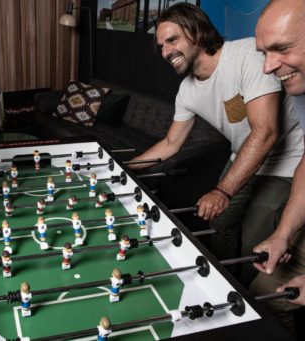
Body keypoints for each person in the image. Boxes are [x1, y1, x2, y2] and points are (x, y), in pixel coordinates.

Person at [128, 3, 303, 286]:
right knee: (220, 222)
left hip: (286, 162)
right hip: (243, 156)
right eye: (161, 46)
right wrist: (126, 169)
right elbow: (171, 143)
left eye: (172, 40)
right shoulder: (186, 91)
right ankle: (222, 282)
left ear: (196, 31)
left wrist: (222, 190)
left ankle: (249, 298)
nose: (165, 52)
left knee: (254, 240)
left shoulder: (246, 54)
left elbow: (266, 132)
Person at [249, 0, 305, 334]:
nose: (268, 67)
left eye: (282, 48)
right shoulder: (301, 86)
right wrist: (283, 235)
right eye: (264, 52)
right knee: (264, 297)